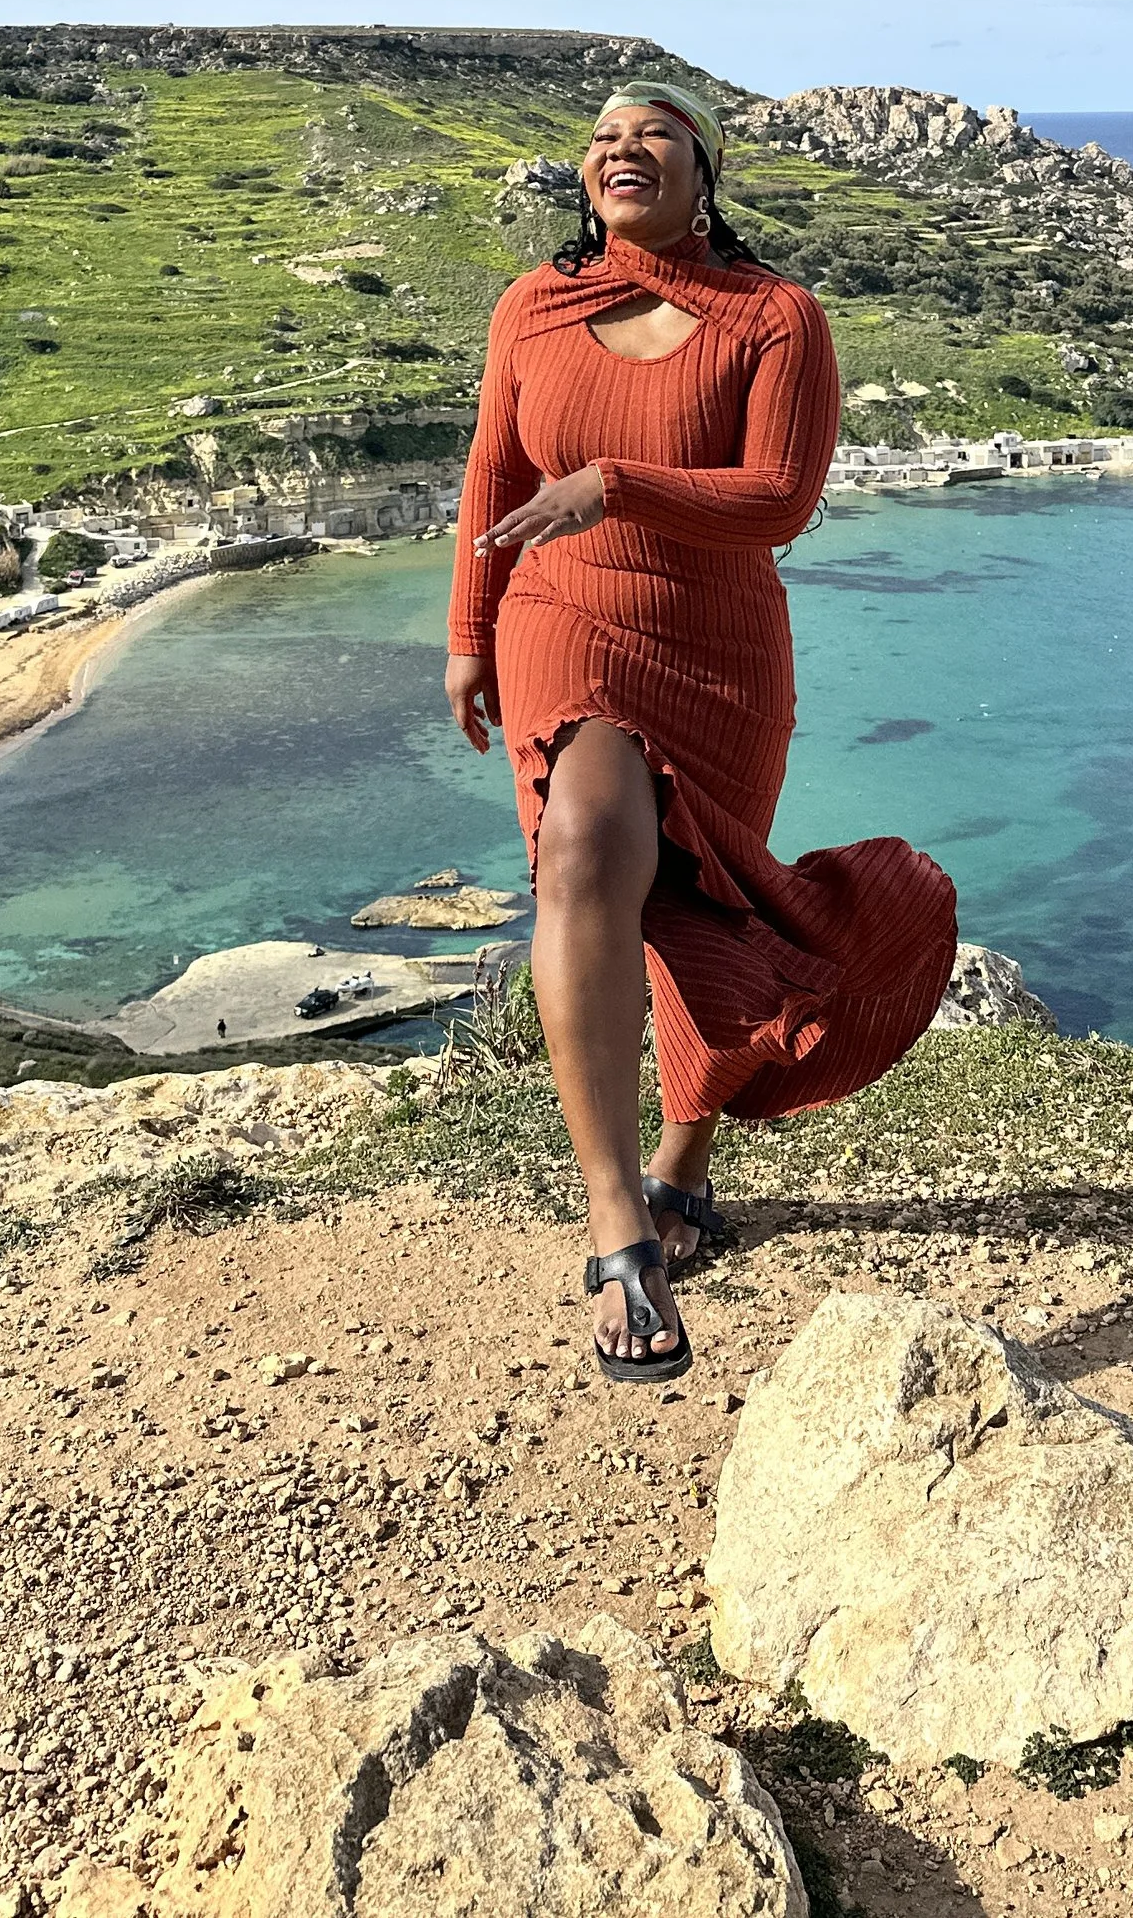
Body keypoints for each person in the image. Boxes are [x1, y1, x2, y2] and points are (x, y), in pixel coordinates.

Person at [447, 82, 958, 1382]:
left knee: (701, 912)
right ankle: (618, 1221)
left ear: (702, 169)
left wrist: (614, 484)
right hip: (564, 621)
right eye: (604, 138)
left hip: (718, 652)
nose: (623, 152)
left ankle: (685, 1160)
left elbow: (779, 500)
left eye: (653, 137)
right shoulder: (532, 311)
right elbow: (495, 482)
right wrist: (467, 631)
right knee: (587, 845)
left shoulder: (775, 318)